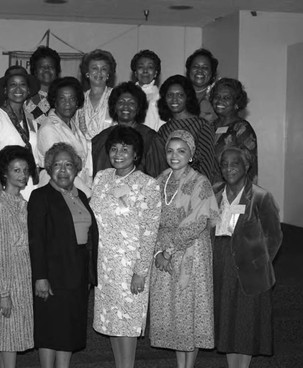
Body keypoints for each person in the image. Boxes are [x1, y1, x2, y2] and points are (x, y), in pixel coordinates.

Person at [91, 125, 161, 368]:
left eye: (125, 149)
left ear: (136, 154)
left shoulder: (148, 185)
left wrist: (141, 271)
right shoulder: (101, 178)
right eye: (114, 148)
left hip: (131, 263)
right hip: (104, 262)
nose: (118, 153)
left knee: (128, 322)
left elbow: (150, 231)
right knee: (111, 320)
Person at [149, 130, 219, 368]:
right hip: (163, 253)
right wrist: (158, 252)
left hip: (191, 253)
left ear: (191, 154)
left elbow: (197, 222)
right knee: (176, 315)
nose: (174, 155)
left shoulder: (200, 182)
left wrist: (168, 250)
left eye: (181, 150)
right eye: (170, 150)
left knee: (190, 311)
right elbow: (150, 220)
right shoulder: (160, 180)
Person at [28, 143, 98, 368]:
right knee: (50, 329)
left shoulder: (83, 197)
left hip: (77, 273)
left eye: (68, 165)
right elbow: (36, 239)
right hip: (52, 274)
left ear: (76, 169)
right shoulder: (40, 196)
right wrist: (40, 276)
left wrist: (88, 275)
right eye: (57, 165)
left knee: (69, 328)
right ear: (48, 169)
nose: (63, 170)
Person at [213, 147, 282, 368]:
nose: (229, 169)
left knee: (246, 322)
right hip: (220, 264)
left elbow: (274, 236)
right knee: (227, 321)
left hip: (249, 267)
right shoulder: (215, 192)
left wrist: (257, 264)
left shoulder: (261, 196)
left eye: (235, 164)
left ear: (247, 166)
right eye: (224, 164)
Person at [0, 145, 37, 367]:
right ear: (4, 173)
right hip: (7, 283)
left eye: (25, 170)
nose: (23, 175)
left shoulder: (25, 205)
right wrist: (2, 293)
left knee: (16, 338)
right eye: (16, 170)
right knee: (7, 340)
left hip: (24, 279)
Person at [0, 65, 41, 202]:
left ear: (28, 91)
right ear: (5, 90)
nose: (18, 89)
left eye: (22, 85)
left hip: (29, 185)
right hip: (6, 187)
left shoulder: (30, 120)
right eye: (13, 85)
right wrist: (2, 196)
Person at [92, 81, 168, 178]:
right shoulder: (101, 138)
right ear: (114, 106)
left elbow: (160, 177)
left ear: (139, 107)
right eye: (121, 102)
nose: (126, 106)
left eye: (131, 103)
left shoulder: (150, 138)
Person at [36, 76, 92, 197]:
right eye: (62, 99)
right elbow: (62, 168)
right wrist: (88, 195)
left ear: (77, 102)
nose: (68, 103)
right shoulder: (48, 129)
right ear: (54, 101)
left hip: (76, 188)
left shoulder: (72, 125)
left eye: (72, 99)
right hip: (57, 190)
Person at [157, 75, 218, 183]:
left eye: (180, 95)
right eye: (170, 95)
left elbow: (208, 163)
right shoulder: (163, 129)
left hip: (196, 188)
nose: (174, 99)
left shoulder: (201, 125)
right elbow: (161, 164)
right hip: (169, 188)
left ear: (187, 97)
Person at [210, 78, 258, 184]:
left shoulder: (242, 129)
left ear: (236, 103)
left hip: (232, 193)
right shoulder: (209, 126)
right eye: (216, 96)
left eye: (226, 98)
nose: (219, 101)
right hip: (207, 193)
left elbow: (249, 169)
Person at [77, 49, 116, 139]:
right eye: (94, 68)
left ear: (108, 74)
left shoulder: (116, 97)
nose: (99, 72)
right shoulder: (79, 99)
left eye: (104, 69)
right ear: (87, 72)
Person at [25, 46, 61, 127]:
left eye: (51, 67)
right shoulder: (25, 100)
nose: (47, 69)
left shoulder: (63, 98)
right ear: (35, 71)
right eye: (42, 67)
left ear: (57, 71)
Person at [131, 49, 163, 131]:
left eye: (150, 67)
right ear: (135, 72)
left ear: (156, 73)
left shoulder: (161, 97)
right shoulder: (126, 94)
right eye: (141, 67)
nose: (145, 71)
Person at [185, 48, 219, 123]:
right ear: (189, 70)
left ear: (212, 73)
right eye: (195, 66)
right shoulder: (179, 95)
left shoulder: (217, 97)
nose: (200, 70)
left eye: (205, 68)